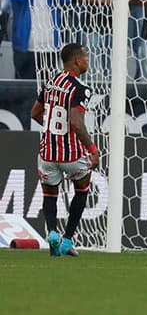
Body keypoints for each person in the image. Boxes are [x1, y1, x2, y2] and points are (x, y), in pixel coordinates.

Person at [32, 43, 99, 257]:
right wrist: (92, 149)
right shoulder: (81, 89)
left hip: (47, 152)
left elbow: (34, 113)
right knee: (82, 187)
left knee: (50, 193)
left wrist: (52, 128)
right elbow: (77, 123)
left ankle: (52, 232)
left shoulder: (51, 82)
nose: (87, 61)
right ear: (77, 61)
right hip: (70, 153)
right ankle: (68, 239)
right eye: (85, 57)